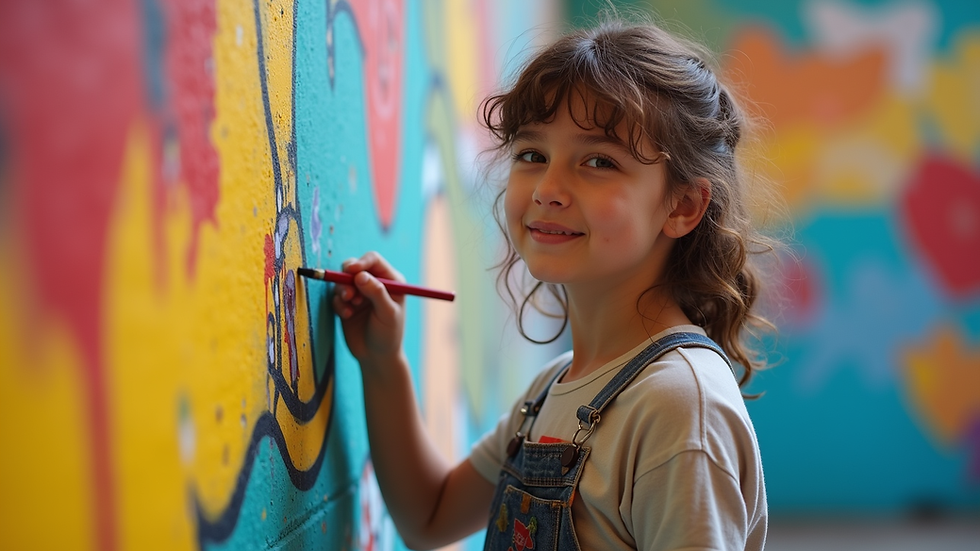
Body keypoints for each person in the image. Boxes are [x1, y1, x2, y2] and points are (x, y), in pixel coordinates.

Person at [332, 16, 777, 551]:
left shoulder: (679, 406)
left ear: (682, 206)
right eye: (532, 155)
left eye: (598, 161)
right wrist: (384, 363)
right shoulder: (553, 388)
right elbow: (429, 516)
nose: (548, 188)